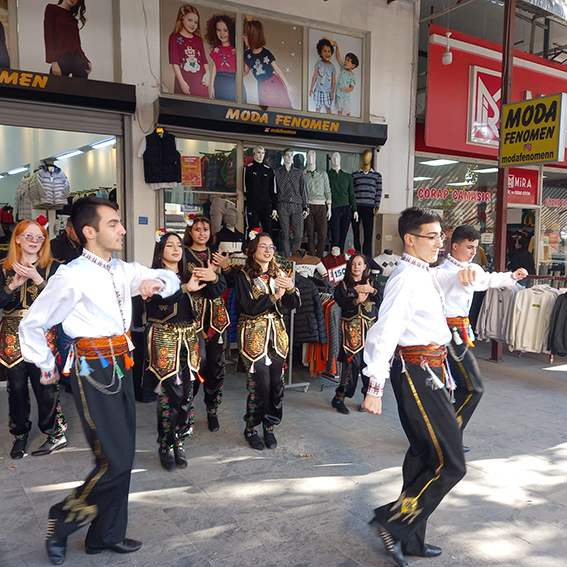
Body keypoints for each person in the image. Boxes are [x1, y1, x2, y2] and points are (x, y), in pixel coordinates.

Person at [19, 196, 180, 565]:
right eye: (113, 224)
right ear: (89, 232)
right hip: (91, 368)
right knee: (114, 458)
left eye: (120, 223)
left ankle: (105, 536)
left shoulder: (122, 269)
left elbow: (172, 278)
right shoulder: (71, 275)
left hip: (121, 363)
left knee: (122, 453)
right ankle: (63, 517)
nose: (122, 229)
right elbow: (34, 323)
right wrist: (45, 364)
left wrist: (156, 282)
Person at [362, 207, 469, 567]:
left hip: (432, 370)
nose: (441, 243)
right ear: (410, 239)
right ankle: (392, 522)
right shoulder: (406, 277)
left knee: (424, 457)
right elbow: (386, 330)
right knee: (451, 462)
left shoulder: (424, 272)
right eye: (433, 236)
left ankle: (411, 538)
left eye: (441, 235)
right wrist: (374, 385)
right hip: (417, 373)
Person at [433, 225, 528, 450]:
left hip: (461, 331)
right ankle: (447, 435)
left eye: (475, 247)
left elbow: (488, 280)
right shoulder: (441, 272)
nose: (473, 251)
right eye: (469, 247)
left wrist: (512, 276)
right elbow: (448, 282)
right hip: (447, 333)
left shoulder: (472, 268)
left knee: (455, 386)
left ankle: (447, 435)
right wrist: (458, 278)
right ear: (454, 246)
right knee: (471, 387)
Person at [0, 219, 66, 460]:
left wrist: (38, 280)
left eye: (40, 237)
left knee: (45, 385)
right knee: (16, 387)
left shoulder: (54, 268)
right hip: (12, 333)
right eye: (28, 236)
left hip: (42, 333)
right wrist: (13, 285)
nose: (35, 241)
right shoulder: (3, 268)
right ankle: (20, 433)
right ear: (17, 238)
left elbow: (61, 301)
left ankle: (55, 431)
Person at [143, 231, 206, 470]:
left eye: (178, 245)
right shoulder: (153, 277)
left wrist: (215, 275)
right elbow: (157, 306)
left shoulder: (190, 273)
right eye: (169, 245)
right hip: (165, 338)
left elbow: (214, 290)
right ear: (161, 251)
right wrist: (184, 288)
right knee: (170, 392)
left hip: (189, 338)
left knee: (188, 391)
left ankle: (179, 440)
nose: (175, 249)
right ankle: (165, 443)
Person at [235, 231, 300, 450]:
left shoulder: (278, 273)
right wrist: (275, 296)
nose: (268, 250)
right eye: (263, 246)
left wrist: (290, 288)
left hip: (276, 335)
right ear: (253, 249)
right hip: (254, 335)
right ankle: (251, 427)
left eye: (271, 247)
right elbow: (247, 306)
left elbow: (293, 304)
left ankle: (269, 426)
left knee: (276, 385)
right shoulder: (243, 275)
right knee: (259, 385)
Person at [183, 216, 229, 432]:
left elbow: (227, 280)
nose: (202, 233)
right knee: (193, 367)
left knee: (216, 367)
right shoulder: (183, 254)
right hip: (193, 319)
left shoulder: (217, 255)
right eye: (197, 229)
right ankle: (187, 410)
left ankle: (212, 410)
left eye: (205, 229)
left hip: (217, 320)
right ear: (190, 231)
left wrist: (225, 268)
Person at [330, 253, 379, 414]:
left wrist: (372, 290)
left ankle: (367, 398)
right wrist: (356, 301)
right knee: (351, 364)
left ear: (365, 266)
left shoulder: (372, 283)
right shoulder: (343, 285)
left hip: (371, 330)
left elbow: (384, 300)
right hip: (352, 331)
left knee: (369, 364)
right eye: (353, 264)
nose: (356, 267)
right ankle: (339, 398)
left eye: (359, 264)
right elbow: (339, 302)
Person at [243, 18, 297, 109]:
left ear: (252, 36)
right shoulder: (247, 55)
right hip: (262, 87)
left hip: (274, 83)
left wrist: (287, 85)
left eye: (245, 35)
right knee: (268, 110)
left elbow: (277, 69)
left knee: (285, 106)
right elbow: (245, 71)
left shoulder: (265, 53)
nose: (243, 37)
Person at [169, 4, 210, 98]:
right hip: (185, 82)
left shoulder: (198, 40)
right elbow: (175, 62)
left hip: (200, 84)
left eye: (196, 22)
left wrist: (208, 74)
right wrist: (181, 82)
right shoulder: (174, 38)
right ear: (181, 18)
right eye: (190, 20)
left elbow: (204, 60)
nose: (193, 24)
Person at [44, 0, 91, 78]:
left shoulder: (73, 20)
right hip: (61, 58)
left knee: (81, 88)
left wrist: (86, 60)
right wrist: (54, 62)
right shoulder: (51, 8)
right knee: (55, 87)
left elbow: (77, 44)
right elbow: (48, 37)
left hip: (77, 58)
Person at [205, 13, 237, 101]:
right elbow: (214, 68)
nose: (222, 33)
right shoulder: (216, 50)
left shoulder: (236, 50)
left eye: (225, 30)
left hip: (234, 82)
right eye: (218, 30)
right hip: (219, 82)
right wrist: (211, 87)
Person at [309, 38, 336, 113]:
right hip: (318, 91)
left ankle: (330, 121)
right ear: (320, 53)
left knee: (328, 108)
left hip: (328, 92)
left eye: (329, 51)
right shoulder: (318, 63)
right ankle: (316, 121)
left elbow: (334, 81)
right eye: (325, 51)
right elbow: (315, 76)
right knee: (318, 108)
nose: (327, 53)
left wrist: (332, 92)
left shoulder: (332, 67)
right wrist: (311, 88)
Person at [332, 40, 358, 116]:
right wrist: (337, 47)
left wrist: (345, 89)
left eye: (348, 61)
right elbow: (338, 57)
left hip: (345, 97)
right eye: (346, 60)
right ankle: (339, 124)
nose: (345, 62)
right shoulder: (343, 68)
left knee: (347, 112)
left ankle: (349, 124)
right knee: (339, 111)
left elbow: (352, 88)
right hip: (339, 94)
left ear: (353, 66)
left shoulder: (352, 76)